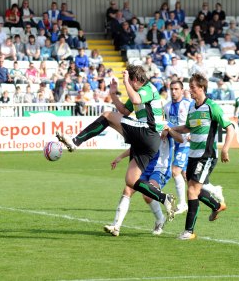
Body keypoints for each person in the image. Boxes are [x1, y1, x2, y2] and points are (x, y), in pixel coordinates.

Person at [56, 65, 177, 219]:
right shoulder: (139, 91)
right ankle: (164, 198)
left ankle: (75, 142)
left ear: (134, 80)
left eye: (128, 80)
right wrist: (113, 94)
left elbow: (135, 99)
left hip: (149, 131)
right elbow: (124, 111)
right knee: (131, 180)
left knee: (107, 115)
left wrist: (125, 81)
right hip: (149, 141)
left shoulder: (148, 88)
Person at [171, 73, 235, 240]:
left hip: (206, 155)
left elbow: (230, 128)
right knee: (194, 189)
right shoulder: (192, 107)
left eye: (192, 87)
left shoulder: (212, 107)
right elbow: (187, 128)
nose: (189, 90)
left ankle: (189, 232)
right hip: (192, 155)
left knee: (192, 190)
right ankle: (216, 205)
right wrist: (170, 129)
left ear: (202, 88)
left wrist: (225, 149)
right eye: (189, 87)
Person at [104, 124, 183, 236]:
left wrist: (169, 130)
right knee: (127, 190)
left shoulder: (167, 125)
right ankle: (116, 226)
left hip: (160, 168)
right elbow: (137, 147)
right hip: (144, 167)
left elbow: (180, 139)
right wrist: (120, 157)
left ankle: (160, 219)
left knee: (148, 195)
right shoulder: (145, 126)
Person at [164, 81, 191, 214]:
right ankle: (213, 193)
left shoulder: (188, 104)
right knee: (187, 176)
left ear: (182, 90)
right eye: (171, 89)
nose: (173, 92)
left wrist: (192, 133)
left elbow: (194, 121)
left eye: (176, 89)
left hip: (187, 143)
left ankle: (182, 204)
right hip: (176, 143)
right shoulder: (167, 106)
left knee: (175, 171)